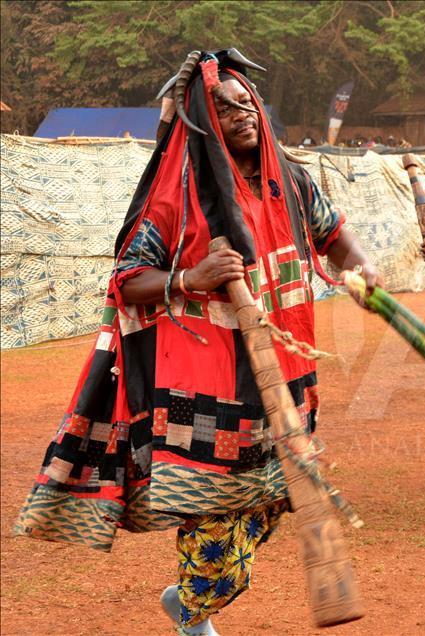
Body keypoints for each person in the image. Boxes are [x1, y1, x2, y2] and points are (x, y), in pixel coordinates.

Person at [12, 50, 382, 635]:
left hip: (286, 379)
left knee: (270, 501)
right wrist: (191, 278)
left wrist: (361, 269)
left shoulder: (292, 180)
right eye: (225, 107)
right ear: (205, 123)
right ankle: (192, 610)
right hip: (205, 390)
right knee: (213, 515)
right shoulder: (176, 198)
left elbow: (335, 235)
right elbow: (128, 279)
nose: (242, 115)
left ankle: (190, 602)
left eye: (247, 104)